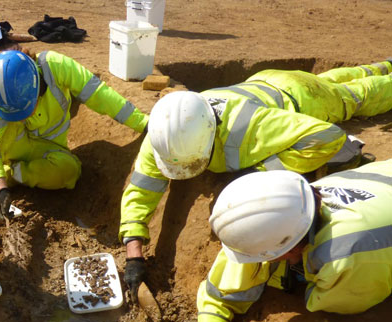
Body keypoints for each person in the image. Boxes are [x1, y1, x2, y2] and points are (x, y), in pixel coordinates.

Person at [120, 60, 392, 299]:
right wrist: (134, 253)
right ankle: (386, 62)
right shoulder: (167, 135)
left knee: (356, 96)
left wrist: (260, 172)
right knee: (335, 79)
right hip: (266, 81)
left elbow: (328, 137)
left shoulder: (250, 127)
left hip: (303, 97)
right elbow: (142, 189)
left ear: (211, 136)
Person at [187, 160, 392, 322]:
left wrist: (297, 271)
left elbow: (341, 302)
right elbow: (224, 285)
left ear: (290, 249)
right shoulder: (292, 205)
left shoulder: (344, 255)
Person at [0, 49, 149, 219]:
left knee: (69, 172)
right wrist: (2, 190)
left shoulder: (57, 66)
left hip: (48, 146)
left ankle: (12, 174)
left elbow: (100, 94)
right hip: (13, 145)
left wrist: (142, 123)